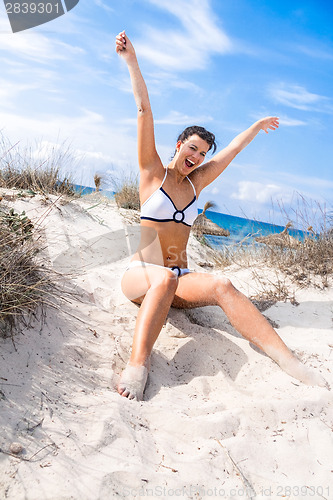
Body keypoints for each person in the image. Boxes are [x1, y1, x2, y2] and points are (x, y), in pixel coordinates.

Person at [115, 31, 328, 400]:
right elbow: (143, 110)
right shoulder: (152, 172)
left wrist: (257, 126)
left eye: (202, 154)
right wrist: (131, 60)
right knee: (162, 278)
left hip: (178, 278)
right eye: (193, 148)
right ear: (179, 144)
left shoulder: (197, 184)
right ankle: (138, 365)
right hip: (142, 276)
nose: (196, 157)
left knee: (222, 285)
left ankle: (287, 359)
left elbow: (232, 150)